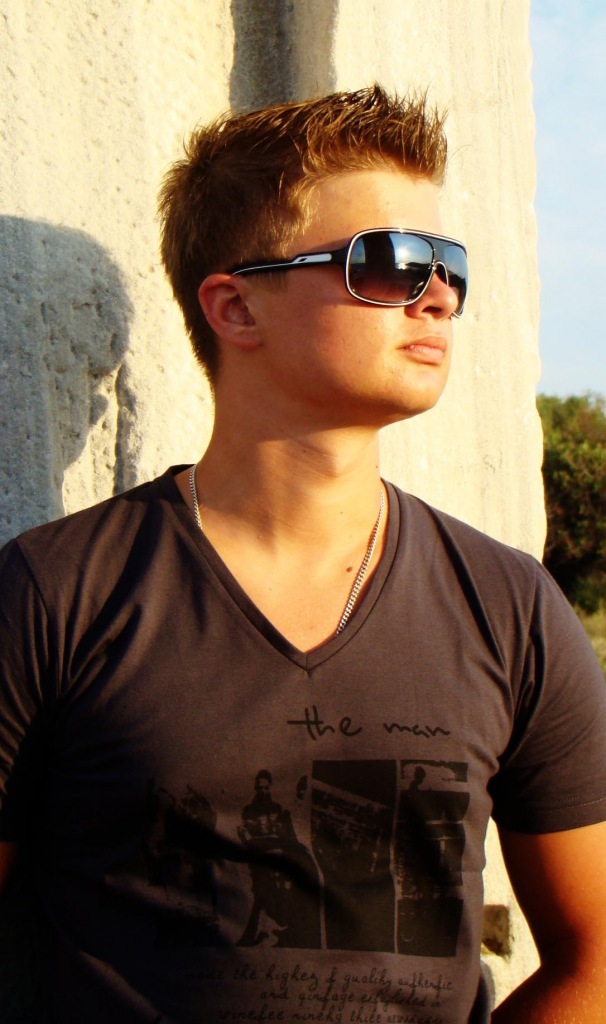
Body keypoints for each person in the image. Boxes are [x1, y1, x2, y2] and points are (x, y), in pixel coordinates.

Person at [1, 85, 606, 1024]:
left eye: (449, 265)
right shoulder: (55, 594)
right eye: (389, 262)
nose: (438, 294)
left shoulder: (511, 608)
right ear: (237, 308)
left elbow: (594, 959)